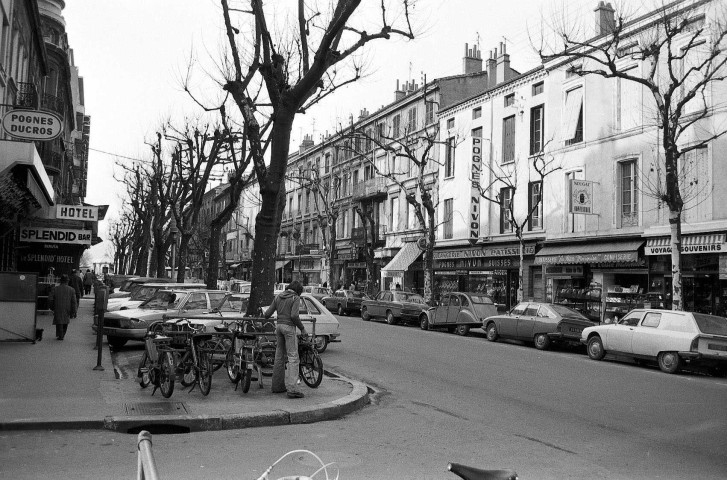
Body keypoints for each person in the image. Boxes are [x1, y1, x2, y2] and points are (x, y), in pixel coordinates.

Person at [264, 280, 307, 399]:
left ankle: (277, 386)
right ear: (298, 290)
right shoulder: (295, 298)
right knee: (293, 357)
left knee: (279, 356)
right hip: (289, 328)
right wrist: (302, 328)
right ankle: (293, 389)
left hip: (278, 327)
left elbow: (267, 314)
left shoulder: (278, 297)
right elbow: (294, 315)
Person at [48, 274, 77, 340]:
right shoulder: (72, 290)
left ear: (60, 281)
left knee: (59, 321)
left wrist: (52, 307)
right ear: (67, 281)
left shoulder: (55, 289)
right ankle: (62, 334)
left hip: (57, 307)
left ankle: (60, 335)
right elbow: (74, 302)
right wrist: (74, 311)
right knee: (65, 321)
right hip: (67, 308)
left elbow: (50, 299)